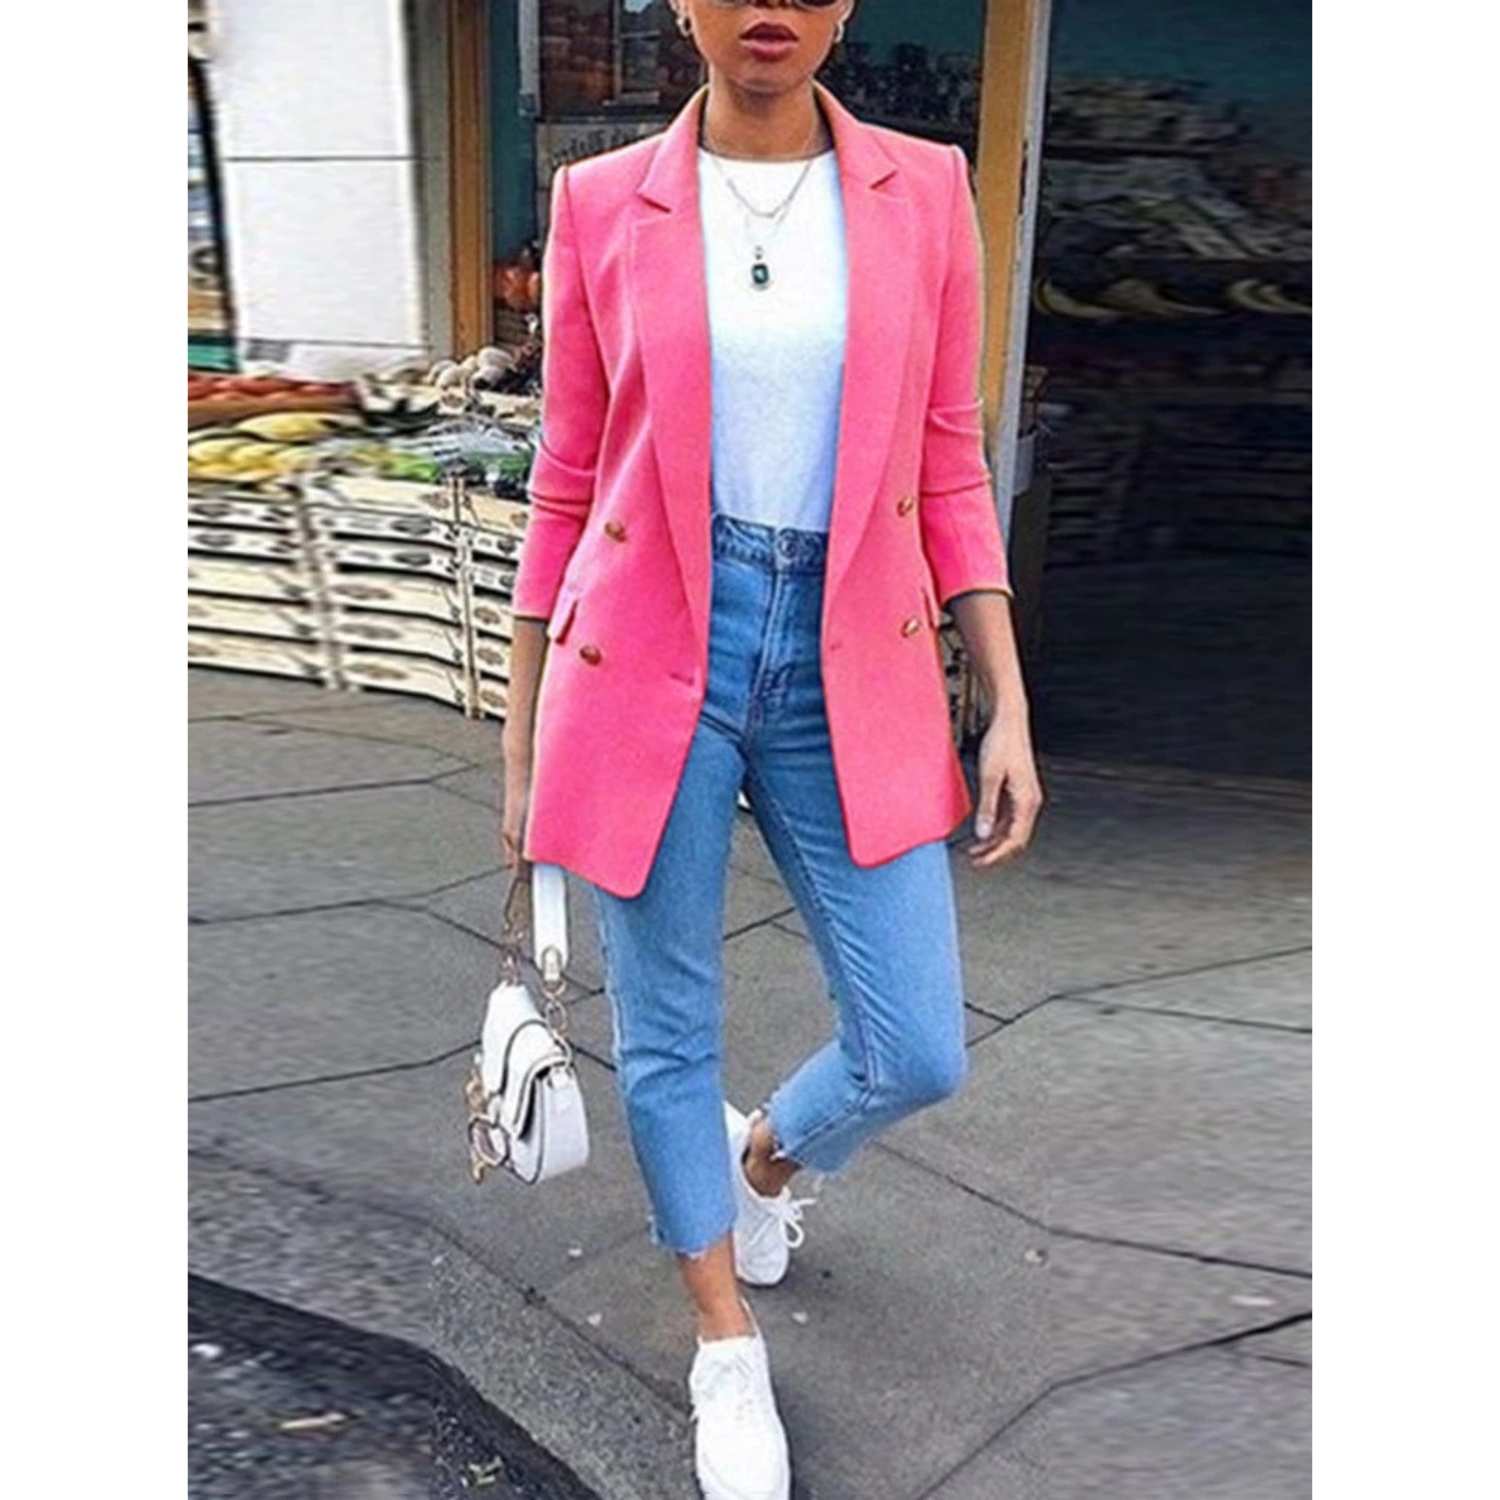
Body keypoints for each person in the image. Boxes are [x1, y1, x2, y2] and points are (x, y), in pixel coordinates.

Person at [501, 6, 1043, 1497]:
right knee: (667, 1029)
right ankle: (723, 1346)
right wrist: (522, 734)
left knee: (915, 1043)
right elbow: (565, 477)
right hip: (645, 646)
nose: (772, 6)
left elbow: (947, 458)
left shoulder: (927, 189)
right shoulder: (601, 202)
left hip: (851, 642)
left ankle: (764, 1165)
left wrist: (1005, 700)